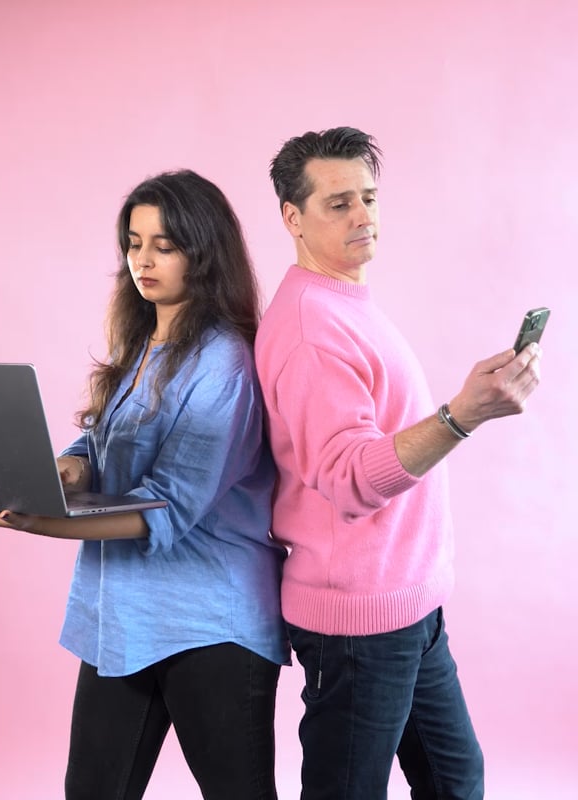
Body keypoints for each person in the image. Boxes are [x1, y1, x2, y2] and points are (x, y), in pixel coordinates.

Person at [0, 169, 290, 800]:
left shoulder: (226, 363)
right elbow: (100, 441)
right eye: (133, 242)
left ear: (204, 252)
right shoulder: (145, 342)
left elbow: (162, 510)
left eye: (165, 244)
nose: (143, 260)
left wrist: (26, 515)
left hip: (209, 623)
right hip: (122, 617)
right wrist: (57, 470)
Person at [254, 127, 542, 800]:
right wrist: (462, 414)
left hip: (410, 609)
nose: (363, 217)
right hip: (358, 624)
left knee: (454, 779)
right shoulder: (308, 329)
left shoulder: (344, 303)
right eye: (338, 203)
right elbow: (351, 478)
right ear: (292, 218)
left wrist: (463, 407)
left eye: (369, 199)